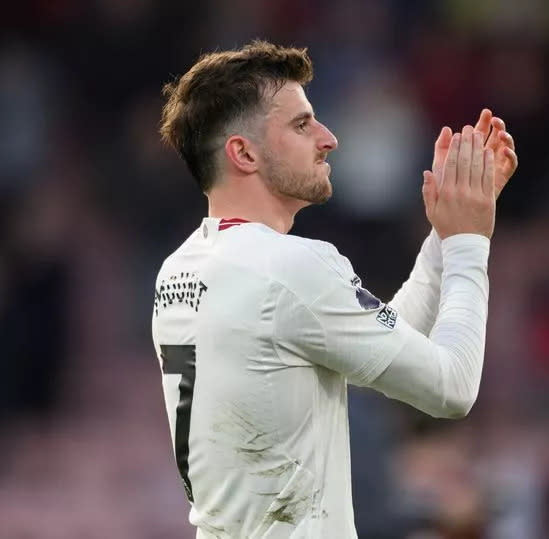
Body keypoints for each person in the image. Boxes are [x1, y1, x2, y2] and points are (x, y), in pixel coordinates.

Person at [153, 40, 517, 539]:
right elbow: (452, 388)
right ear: (243, 152)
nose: (329, 138)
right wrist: (470, 241)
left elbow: (371, 353)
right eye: (302, 125)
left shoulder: (179, 270)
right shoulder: (291, 267)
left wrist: (441, 237)